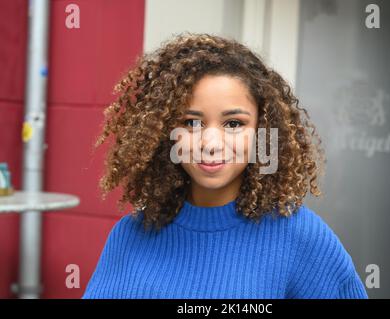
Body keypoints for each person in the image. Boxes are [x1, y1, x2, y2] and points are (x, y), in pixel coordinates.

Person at [82, 32, 368, 299]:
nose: (211, 143)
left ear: (262, 132)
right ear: (165, 133)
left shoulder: (300, 237)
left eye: (234, 124)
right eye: (191, 123)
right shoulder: (131, 235)